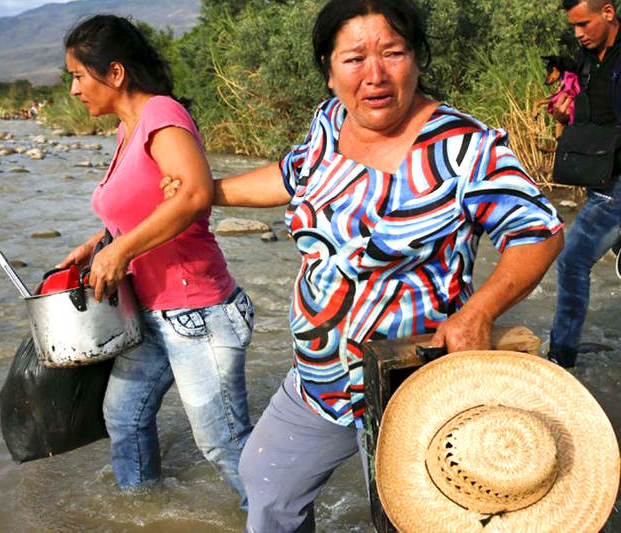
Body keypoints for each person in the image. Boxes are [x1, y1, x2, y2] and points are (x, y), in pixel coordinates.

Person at [162, 0, 563, 530]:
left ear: (417, 59)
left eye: (392, 53)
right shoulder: (330, 123)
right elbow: (292, 175)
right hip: (321, 378)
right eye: (354, 59)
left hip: (413, 382)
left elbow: (540, 233)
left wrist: (481, 311)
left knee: (412, 517)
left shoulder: (465, 148)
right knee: (267, 486)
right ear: (329, 73)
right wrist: (205, 193)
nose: (374, 75)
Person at [56, 15, 254, 505]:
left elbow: (193, 193)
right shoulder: (129, 130)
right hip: (150, 312)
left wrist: (122, 250)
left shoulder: (163, 114)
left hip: (197, 314)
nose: (75, 89)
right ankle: (145, 512)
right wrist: (101, 240)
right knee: (124, 417)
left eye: (79, 75)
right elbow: (145, 203)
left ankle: (279, 519)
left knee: (225, 445)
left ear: (115, 73)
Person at [548, 0, 621, 368]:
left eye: (583, 23)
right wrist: (566, 111)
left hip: (617, 184)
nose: (578, 33)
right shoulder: (588, 58)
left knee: (572, 261)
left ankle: (560, 359)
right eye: (573, 26)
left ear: (608, 12)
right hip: (604, 177)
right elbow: (592, 110)